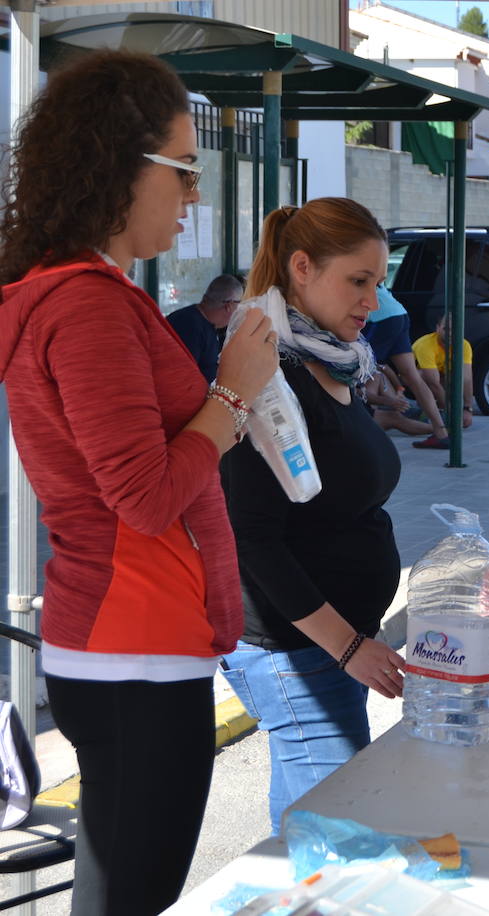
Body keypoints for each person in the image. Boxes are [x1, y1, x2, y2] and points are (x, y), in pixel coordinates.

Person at [0, 51, 279, 914]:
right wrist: (232, 394)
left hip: (131, 642)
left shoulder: (83, 293)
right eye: (185, 168)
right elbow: (145, 498)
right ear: (119, 165)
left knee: (119, 880)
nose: (195, 193)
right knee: (133, 893)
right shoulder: (85, 305)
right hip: (134, 644)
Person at [219, 198, 406, 836]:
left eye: (378, 284)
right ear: (302, 267)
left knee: (327, 839)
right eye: (358, 281)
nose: (372, 302)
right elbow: (253, 539)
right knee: (328, 846)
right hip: (296, 649)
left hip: (329, 647)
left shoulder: (331, 361)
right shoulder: (267, 374)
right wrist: (348, 646)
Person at [363, 283, 451, 449]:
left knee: (359, 368)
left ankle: (364, 430)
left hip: (381, 318)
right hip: (399, 314)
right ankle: (441, 433)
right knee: (413, 377)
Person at [166, 273, 243, 381]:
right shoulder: (188, 326)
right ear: (229, 305)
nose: (240, 310)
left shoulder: (205, 324)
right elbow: (182, 378)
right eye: (240, 304)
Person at [412, 312, 475, 429]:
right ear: (437, 328)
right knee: (422, 376)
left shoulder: (464, 345)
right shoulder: (425, 345)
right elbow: (433, 382)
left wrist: (467, 409)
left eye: (455, 329)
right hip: (410, 382)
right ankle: (425, 411)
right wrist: (454, 415)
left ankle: (441, 411)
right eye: (446, 329)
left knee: (455, 376)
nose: (451, 333)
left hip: (439, 376)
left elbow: (466, 378)